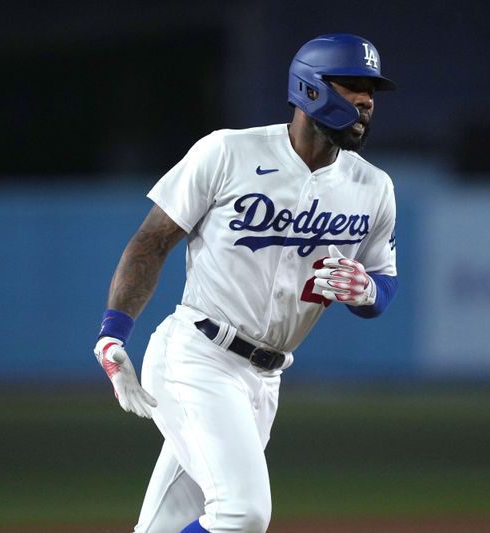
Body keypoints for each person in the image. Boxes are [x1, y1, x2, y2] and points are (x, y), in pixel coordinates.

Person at [93, 33, 399, 533]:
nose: (366, 101)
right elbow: (151, 241)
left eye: (372, 91)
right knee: (242, 513)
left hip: (264, 381)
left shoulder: (374, 187)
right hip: (197, 356)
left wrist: (368, 293)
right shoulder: (228, 152)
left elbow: (383, 284)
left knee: (168, 525)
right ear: (311, 89)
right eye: (353, 86)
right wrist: (112, 332)